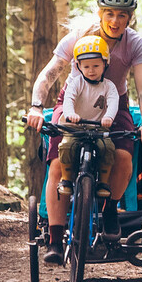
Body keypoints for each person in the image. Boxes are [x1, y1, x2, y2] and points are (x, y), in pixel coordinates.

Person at [25, 0, 142, 262]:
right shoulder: (79, 37)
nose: (115, 21)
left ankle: (110, 209)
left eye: (122, 15)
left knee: (123, 157)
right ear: (99, 13)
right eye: (109, 13)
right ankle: (56, 238)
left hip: (113, 102)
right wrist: (36, 107)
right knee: (59, 165)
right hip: (72, 103)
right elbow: (49, 75)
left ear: (130, 18)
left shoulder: (134, 43)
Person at [56, 35, 119, 200]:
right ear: (79, 66)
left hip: (98, 128)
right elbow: (68, 99)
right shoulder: (76, 83)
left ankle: (103, 183)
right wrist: (70, 114)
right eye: (86, 66)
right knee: (66, 146)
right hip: (75, 127)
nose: (91, 70)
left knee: (107, 148)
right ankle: (66, 180)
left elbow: (113, 103)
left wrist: (108, 117)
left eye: (96, 66)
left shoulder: (109, 86)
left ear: (105, 64)